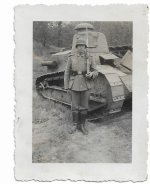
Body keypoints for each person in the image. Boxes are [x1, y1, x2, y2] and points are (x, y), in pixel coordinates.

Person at [64, 39, 98, 135]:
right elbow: (67, 72)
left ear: (85, 47)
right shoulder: (71, 57)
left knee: (84, 106)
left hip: (86, 84)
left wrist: (91, 74)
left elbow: (96, 71)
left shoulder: (90, 57)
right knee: (74, 106)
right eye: (79, 46)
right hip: (74, 84)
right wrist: (66, 86)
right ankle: (75, 125)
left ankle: (82, 125)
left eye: (83, 46)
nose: (81, 48)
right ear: (76, 47)